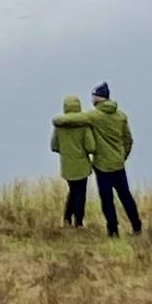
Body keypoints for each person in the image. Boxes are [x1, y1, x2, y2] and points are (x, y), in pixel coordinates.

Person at [56, 81, 140, 237]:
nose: (91, 99)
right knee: (126, 196)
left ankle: (113, 231)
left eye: (93, 97)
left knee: (107, 200)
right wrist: (122, 156)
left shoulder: (93, 116)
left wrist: (57, 121)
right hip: (118, 164)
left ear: (98, 98)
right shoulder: (121, 116)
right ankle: (137, 227)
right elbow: (128, 140)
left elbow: (73, 119)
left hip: (102, 165)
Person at [51, 95, 96, 227]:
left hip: (66, 165)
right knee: (80, 193)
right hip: (81, 165)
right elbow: (91, 147)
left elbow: (54, 146)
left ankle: (66, 219)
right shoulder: (84, 126)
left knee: (73, 191)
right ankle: (78, 222)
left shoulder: (59, 126)